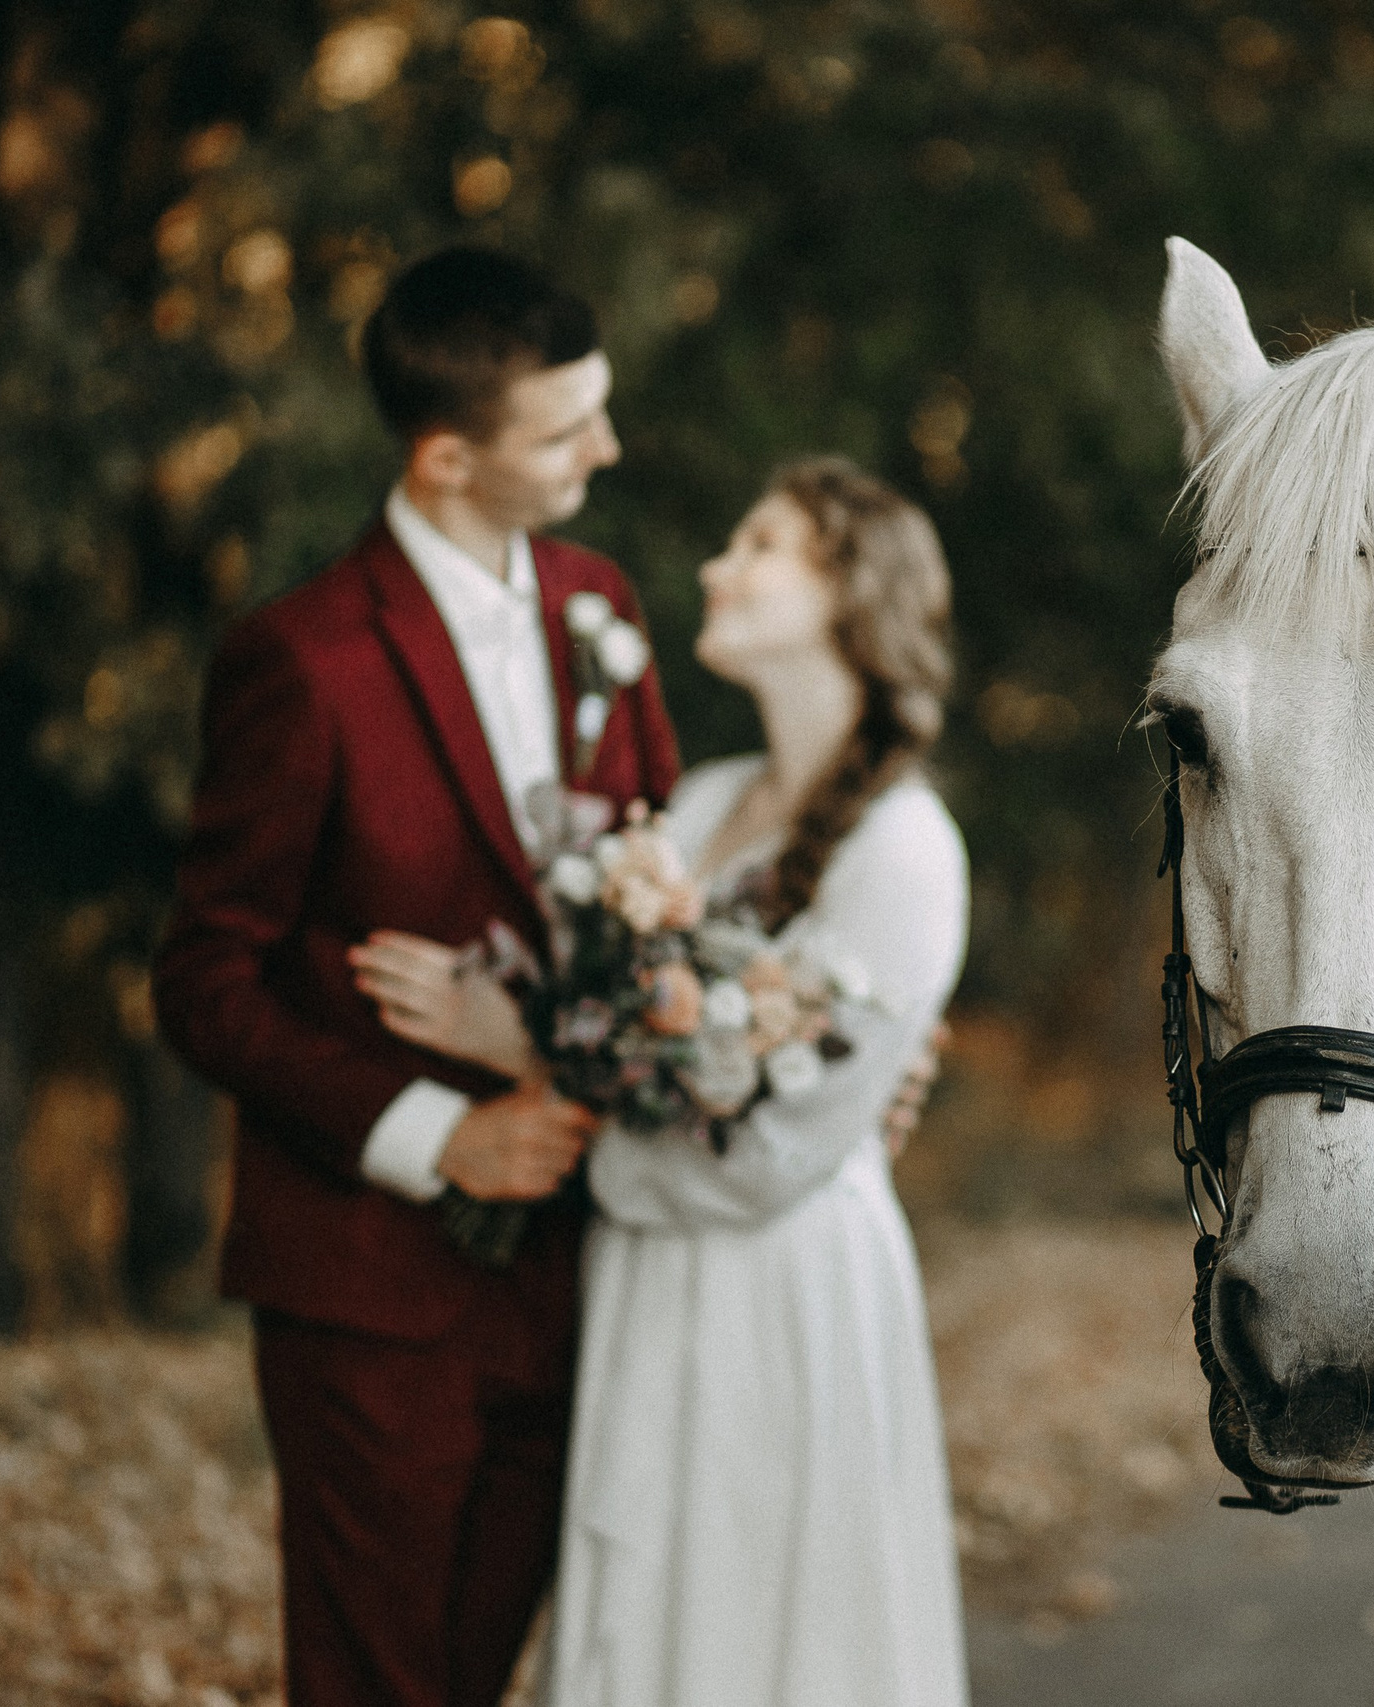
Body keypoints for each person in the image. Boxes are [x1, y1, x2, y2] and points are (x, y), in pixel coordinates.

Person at [150, 246, 680, 1707]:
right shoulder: (301, 661)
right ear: (447, 455)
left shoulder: (600, 607)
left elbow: (663, 905)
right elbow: (204, 980)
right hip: (371, 1287)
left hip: (584, 1257)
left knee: (475, 1667)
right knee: (373, 1678)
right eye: (569, 429)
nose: (608, 448)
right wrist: (433, 1131)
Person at [371, 457, 972, 1707]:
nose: (714, 566)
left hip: (786, 1288)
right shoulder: (696, 807)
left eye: (756, 542)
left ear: (848, 591)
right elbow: (627, 1024)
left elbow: (770, 1154)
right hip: (647, 1275)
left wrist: (519, 1053)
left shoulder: (906, 848)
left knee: (771, 1623)